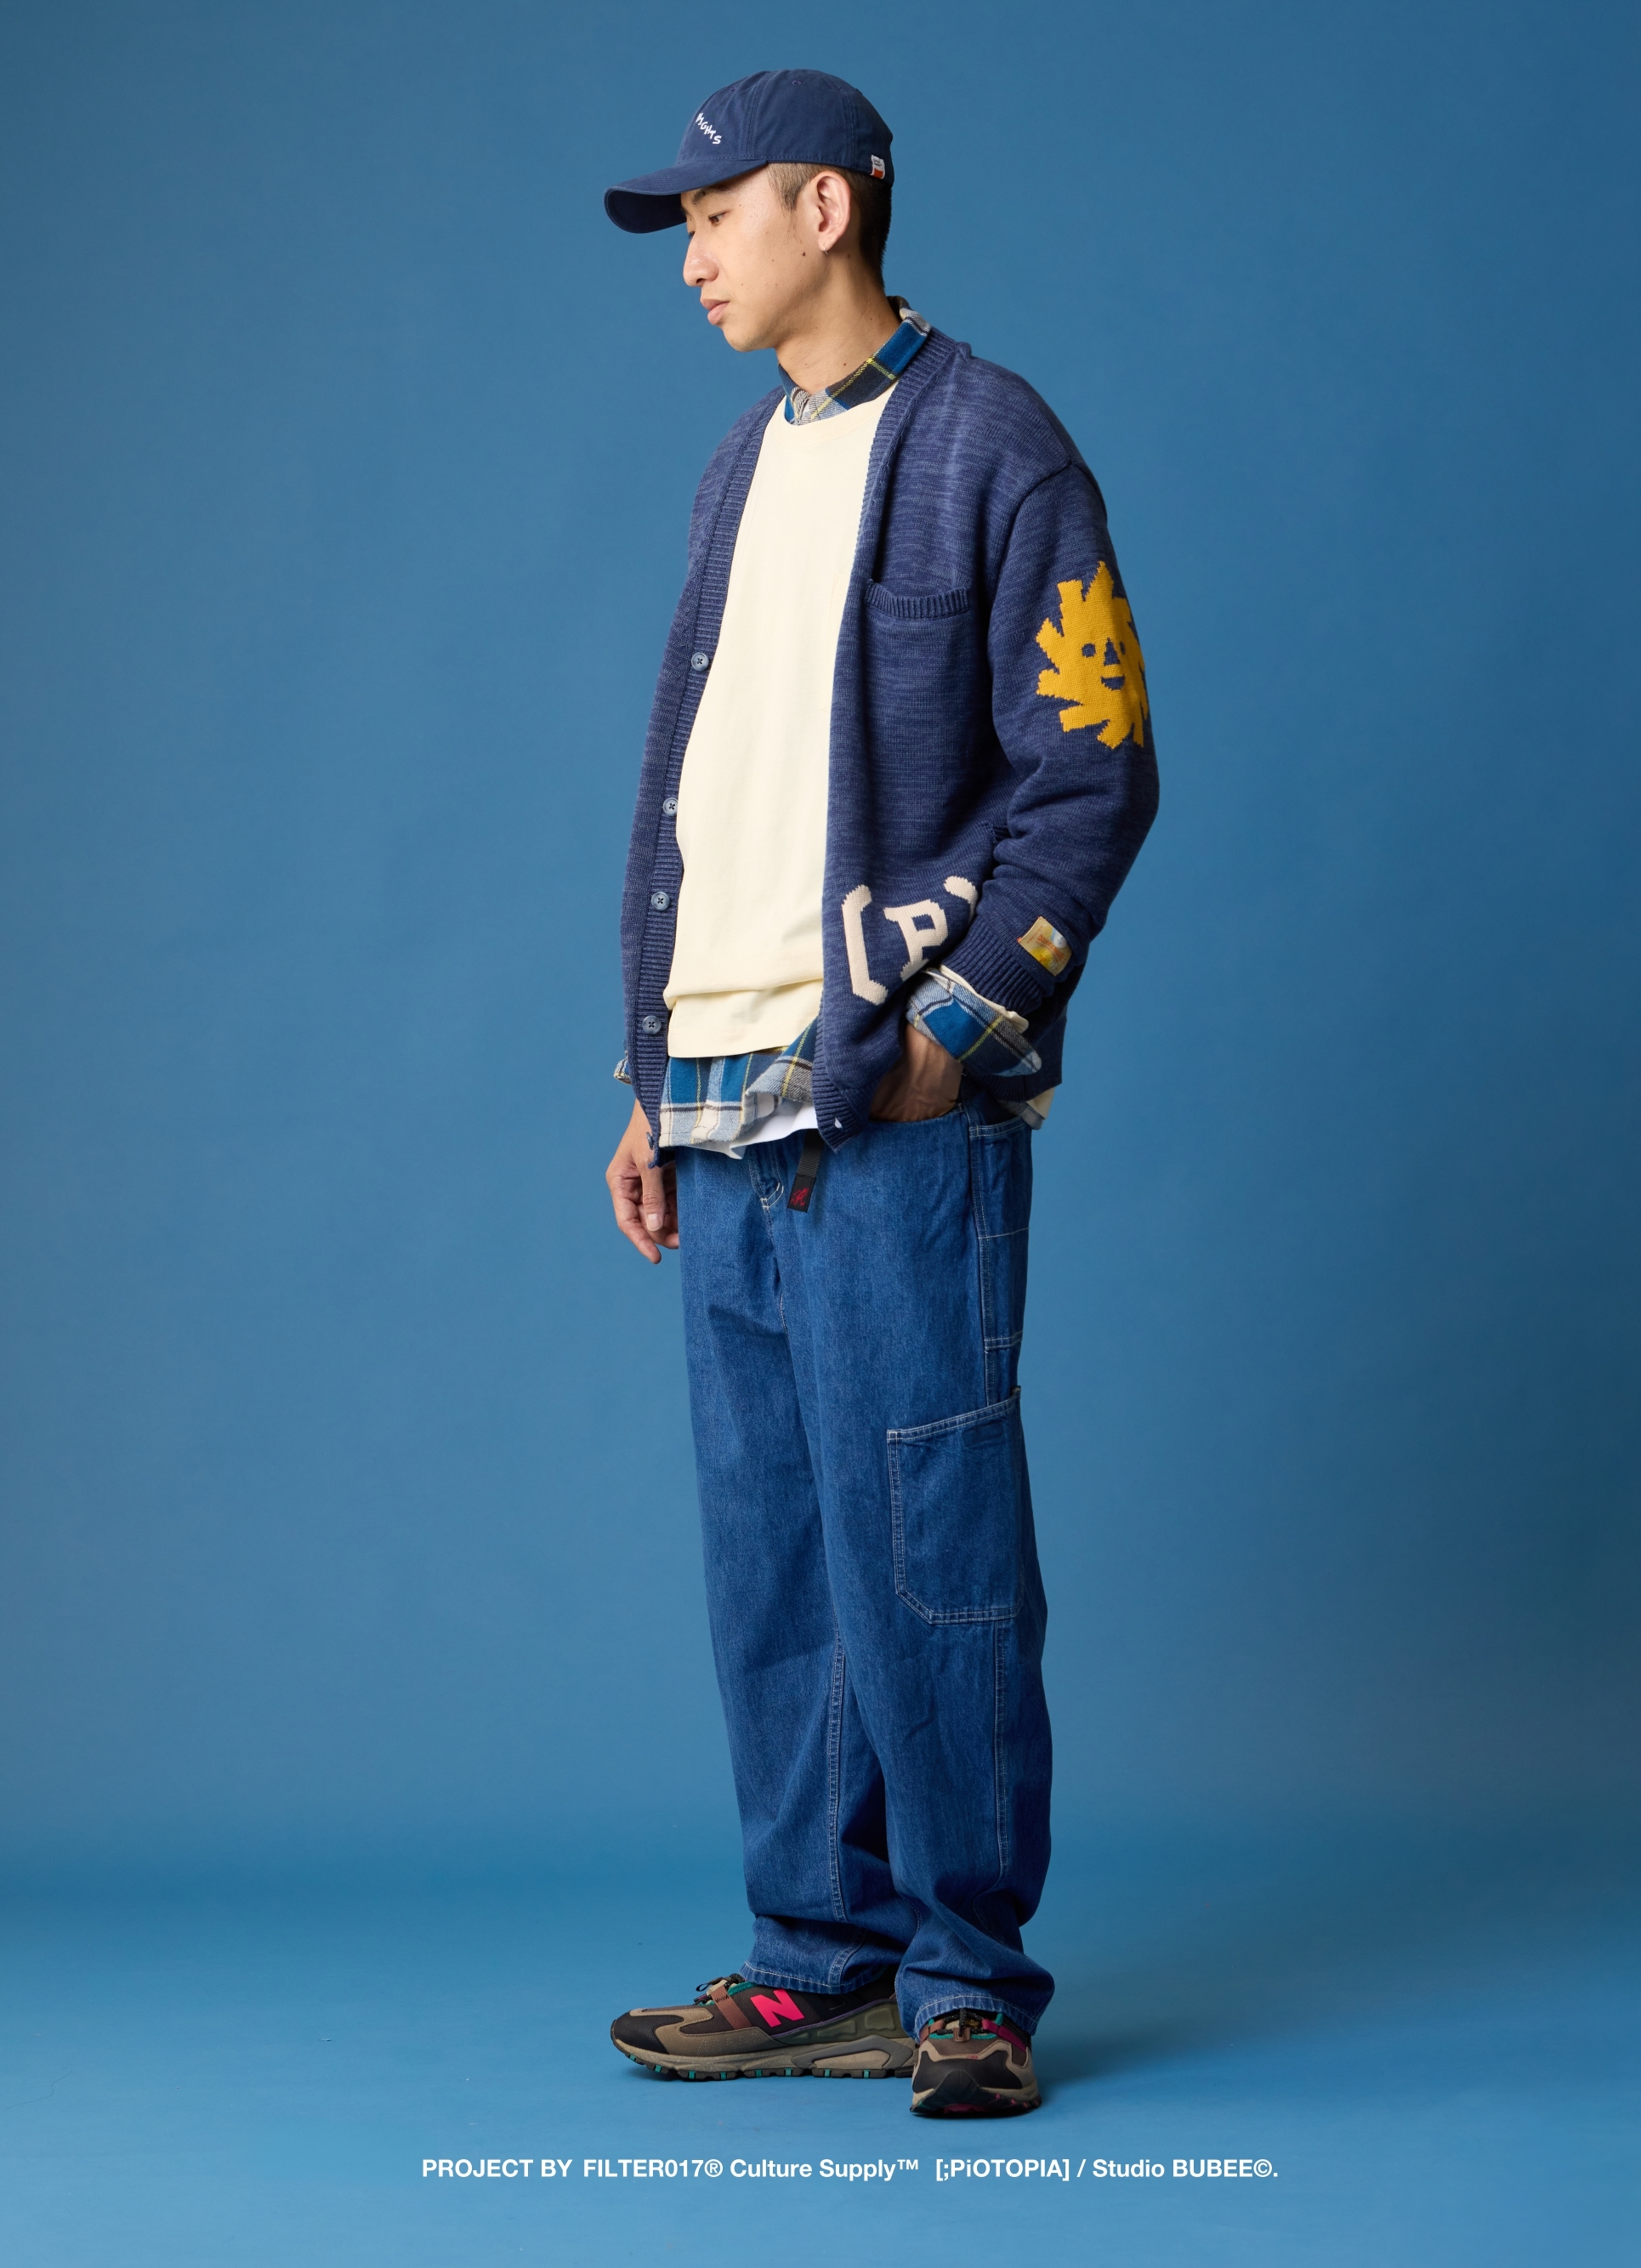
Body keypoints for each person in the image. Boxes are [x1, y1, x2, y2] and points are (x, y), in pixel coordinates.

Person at [600, 69, 1157, 2118]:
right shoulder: (734, 473)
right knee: (776, 1562)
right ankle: (817, 1961)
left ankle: (967, 1979)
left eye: (715, 212)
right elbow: (715, 801)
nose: (691, 255)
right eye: (682, 223)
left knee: (930, 1546)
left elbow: (1093, 769)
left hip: (887, 1099)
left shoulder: (994, 444)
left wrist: (957, 1032)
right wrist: (648, 1076)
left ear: (824, 207)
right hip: (719, 1094)